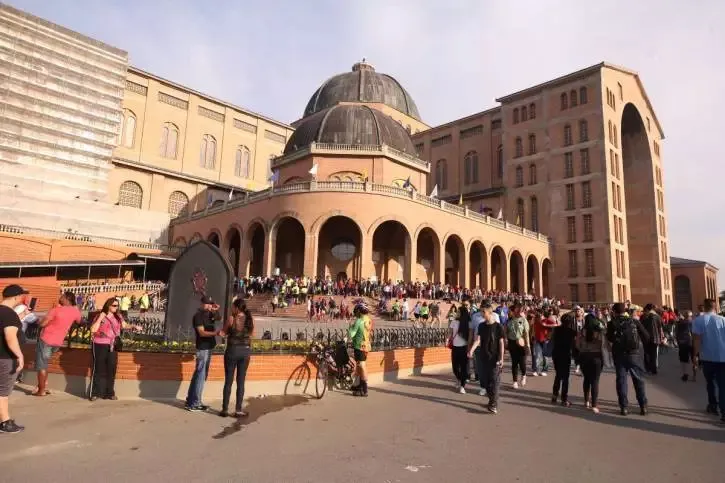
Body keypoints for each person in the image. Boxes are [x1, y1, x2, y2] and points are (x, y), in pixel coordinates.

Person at [89, 297, 141, 401]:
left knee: (111, 369)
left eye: (117, 306)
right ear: (108, 305)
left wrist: (133, 327)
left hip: (112, 345)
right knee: (98, 369)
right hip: (99, 344)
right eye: (114, 305)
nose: (116, 307)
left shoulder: (118, 316)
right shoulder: (100, 315)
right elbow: (93, 330)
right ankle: (94, 393)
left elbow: (124, 325)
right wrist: (100, 318)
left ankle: (110, 393)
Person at [34, 291, 81, 396]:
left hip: (46, 339)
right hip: (58, 342)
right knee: (45, 364)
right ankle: (42, 387)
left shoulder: (55, 310)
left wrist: (40, 322)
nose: (60, 298)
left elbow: (43, 323)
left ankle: (41, 390)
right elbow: (79, 321)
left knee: (42, 365)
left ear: (67, 299)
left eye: (62, 297)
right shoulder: (75, 312)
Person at [607, 302, 650, 416]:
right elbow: (646, 336)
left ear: (614, 312)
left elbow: (610, 338)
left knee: (621, 381)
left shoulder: (612, 323)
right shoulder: (634, 321)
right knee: (638, 380)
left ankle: (624, 407)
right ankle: (643, 406)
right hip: (634, 354)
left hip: (619, 355)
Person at [0, 284, 28, 433]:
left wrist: (21, 317)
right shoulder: (9, 314)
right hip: (5, 358)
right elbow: (10, 337)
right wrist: (19, 355)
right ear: (17, 297)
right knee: (3, 392)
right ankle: (5, 422)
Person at [185, 296, 221, 411]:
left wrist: (216, 310)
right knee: (200, 376)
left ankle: (190, 401)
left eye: (210, 303)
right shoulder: (198, 316)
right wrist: (216, 333)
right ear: (201, 304)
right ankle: (195, 403)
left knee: (199, 375)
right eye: (207, 303)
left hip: (209, 347)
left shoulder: (210, 314)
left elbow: (219, 318)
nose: (209, 305)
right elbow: (201, 333)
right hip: (203, 348)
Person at [468, 303, 505, 414]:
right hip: (484, 357)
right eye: (481, 312)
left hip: (495, 358)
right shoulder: (481, 326)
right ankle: (491, 400)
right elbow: (478, 340)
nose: (481, 314)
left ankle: (493, 404)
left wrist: (502, 358)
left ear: (490, 312)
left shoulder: (498, 327)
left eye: (483, 312)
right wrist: (471, 350)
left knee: (494, 381)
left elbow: (501, 343)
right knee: (486, 381)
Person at [692, 299, 725, 423]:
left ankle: (713, 405)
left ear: (704, 307)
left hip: (707, 357)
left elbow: (696, 340)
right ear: (715, 307)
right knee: (723, 385)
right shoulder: (723, 320)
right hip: (722, 357)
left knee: (710, 383)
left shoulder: (699, 320)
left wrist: (695, 356)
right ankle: (724, 412)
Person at [219, 299, 253, 417]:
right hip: (245, 351)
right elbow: (252, 334)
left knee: (228, 381)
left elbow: (223, 333)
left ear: (237, 308)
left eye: (233, 307)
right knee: (241, 381)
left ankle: (225, 409)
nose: (232, 309)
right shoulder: (249, 319)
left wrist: (222, 333)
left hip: (232, 351)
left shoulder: (231, 319)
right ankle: (238, 410)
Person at [577, 313, 606, 413]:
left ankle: (586, 401)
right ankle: (594, 405)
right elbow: (603, 345)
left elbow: (577, 345)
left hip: (584, 356)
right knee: (595, 381)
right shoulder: (599, 332)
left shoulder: (581, 332)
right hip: (596, 357)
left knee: (586, 379)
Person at [551, 312, 577, 407]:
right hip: (566, 355)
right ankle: (564, 399)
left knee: (558, 375)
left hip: (556, 354)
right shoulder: (572, 332)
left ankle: (554, 395)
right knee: (565, 378)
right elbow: (574, 345)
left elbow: (552, 340)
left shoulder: (556, 329)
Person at [348, 302, 372, 397]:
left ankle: (364, 389)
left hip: (359, 346)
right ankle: (358, 386)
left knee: (361, 366)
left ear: (359, 311)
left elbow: (352, 334)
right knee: (359, 366)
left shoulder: (359, 321)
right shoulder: (368, 320)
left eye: (356, 311)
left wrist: (350, 326)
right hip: (366, 345)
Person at [506, 303, 530, 389]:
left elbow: (526, 334)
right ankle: (515, 381)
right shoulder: (509, 320)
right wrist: (506, 342)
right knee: (514, 363)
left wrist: (527, 346)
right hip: (512, 343)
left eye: (521, 310)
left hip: (521, 343)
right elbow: (506, 332)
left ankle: (524, 375)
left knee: (522, 362)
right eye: (517, 309)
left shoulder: (523, 320)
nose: (519, 311)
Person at [448, 301, 470, 393]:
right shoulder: (454, 321)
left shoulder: (468, 323)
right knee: (455, 367)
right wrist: (447, 339)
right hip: (455, 347)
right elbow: (450, 332)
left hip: (464, 347)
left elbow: (470, 336)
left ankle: (462, 385)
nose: (457, 313)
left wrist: (469, 347)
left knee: (464, 367)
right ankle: (459, 379)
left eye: (459, 312)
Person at [641, 304, 663, 375]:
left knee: (647, 353)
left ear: (647, 309)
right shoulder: (657, 316)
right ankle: (654, 369)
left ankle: (648, 368)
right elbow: (660, 326)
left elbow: (641, 327)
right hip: (655, 337)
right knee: (654, 354)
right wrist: (660, 337)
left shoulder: (643, 316)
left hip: (646, 337)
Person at [675, 310, 696, 382]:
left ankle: (685, 374)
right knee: (694, 359)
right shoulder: (693, 323)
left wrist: (678, 342)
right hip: (691, 343)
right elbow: (695, 334)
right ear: (690, 316)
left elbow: (676, 333)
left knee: (683, 360)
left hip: (682, 343)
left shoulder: (680, 323)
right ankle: (694, 375)